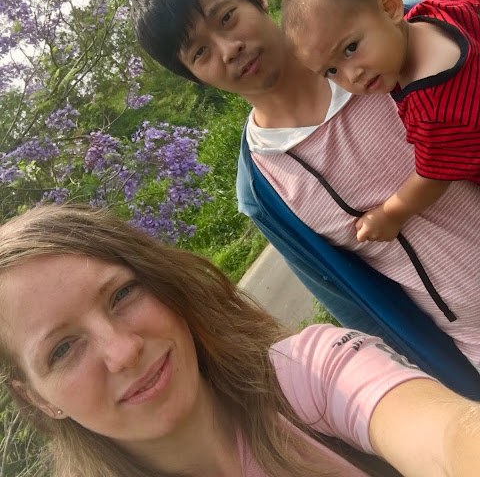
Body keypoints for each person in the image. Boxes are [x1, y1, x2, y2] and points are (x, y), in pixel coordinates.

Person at [131, 0, 480, 397]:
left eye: (226, 18)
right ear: (194, 77)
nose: (229, 48)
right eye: (200, 52)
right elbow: (355, 306)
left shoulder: (393, 42)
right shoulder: (264, 186)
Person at [1, 203, 480, 477]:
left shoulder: (305, 374)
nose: (123, 351)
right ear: (36, 397)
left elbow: (448, 436)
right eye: (62, 349)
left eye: (123, 294)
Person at [281, 0, 480, 243]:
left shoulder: (432, 105)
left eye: (350, 48)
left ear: (389, 7)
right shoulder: (436, 9)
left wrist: (390, 214)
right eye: (332, 71)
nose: (352, 75)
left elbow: (432, 177)